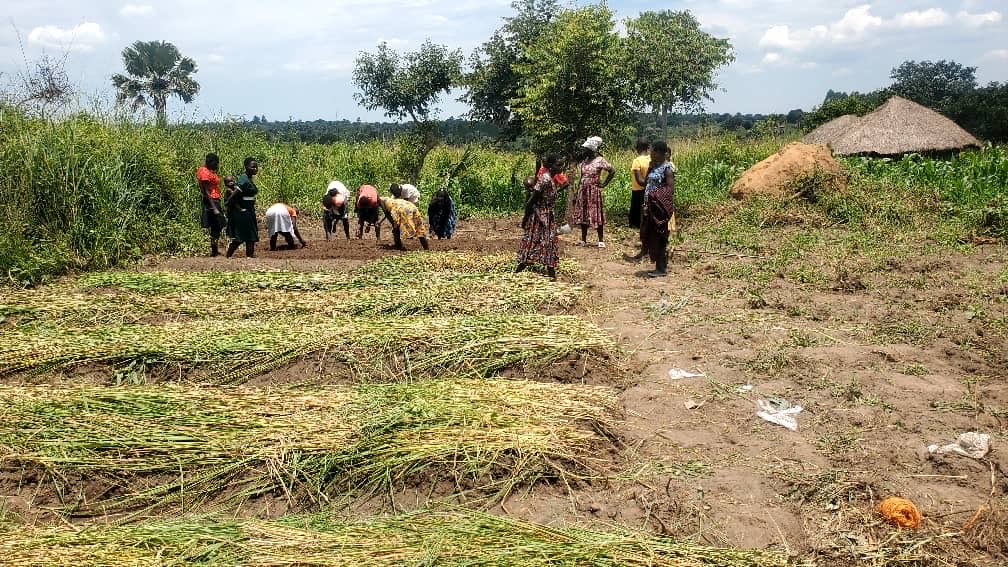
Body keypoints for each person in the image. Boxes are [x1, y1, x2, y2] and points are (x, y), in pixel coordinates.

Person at [516, 154, 564, 281]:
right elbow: (531, 201)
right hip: (540, 217)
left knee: (547, 242)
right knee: (539, 241)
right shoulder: (545, 179)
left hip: (547, 216)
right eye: (558, 165)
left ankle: (550, 273)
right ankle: (520, 270)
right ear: (551, 166)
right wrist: (525, 218)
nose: (561, 167)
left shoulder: (550, 179)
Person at [636, 140, 676, 277]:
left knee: (660, 237)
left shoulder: (667, 169)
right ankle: (658, 267)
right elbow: (646, 183)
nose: (651, 154)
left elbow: (670, 190)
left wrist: (655, 197)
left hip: (659, 210)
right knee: (651, 236)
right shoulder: (652, 167)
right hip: (649, 208)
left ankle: (661, 268)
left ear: (660, 153)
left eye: (653, 151)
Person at [572, 136, 614, 248]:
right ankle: (583, 239)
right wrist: (577, 193)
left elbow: (612, 171)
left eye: (585, 149)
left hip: (594, 192)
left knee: (597, 214)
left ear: (590, 150)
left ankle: (600, 240)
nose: (583, 151)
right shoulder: (584, 162)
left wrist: (604, 184)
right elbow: (582, 177)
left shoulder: (600, 160)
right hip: (583, 191)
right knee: (583, 214)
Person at [225, 157, 260, 258]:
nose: (255, 169)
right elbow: (234, 195)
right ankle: (228, 257)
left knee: (249, 236)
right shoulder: (243, 179)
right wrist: (228, 204)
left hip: (249, 211)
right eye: (253, 167)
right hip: (244, 213)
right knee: (242, 237)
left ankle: (248, 257)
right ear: (246, 167)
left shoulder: (248, 179)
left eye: (256, 167)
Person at [379, 184, 430, 250]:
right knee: (419, 228)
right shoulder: (392, 199)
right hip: (412, 207)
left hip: (408, 203)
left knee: (397, 227)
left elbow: (390, 213)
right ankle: (426, 248)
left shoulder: (406, 189)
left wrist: (395, 226)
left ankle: (399, 246)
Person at [197, 153, 225, 256]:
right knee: (217, 224)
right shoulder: (204, 172)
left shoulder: (208, 171)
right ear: (211, 162)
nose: (217, 165)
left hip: (214, 200)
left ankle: (214, 250)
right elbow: (206, 191)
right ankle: (214, 250)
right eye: (216, 163)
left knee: (217, 225)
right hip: (211, 201)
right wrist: (214, 207)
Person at [629, 139, 650, 229]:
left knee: (638, 215)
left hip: (638, 191)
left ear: (638, 148)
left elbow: (639, 180)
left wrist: (645, 185)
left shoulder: (637, 161)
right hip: (650, 190)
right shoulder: (652, 159)